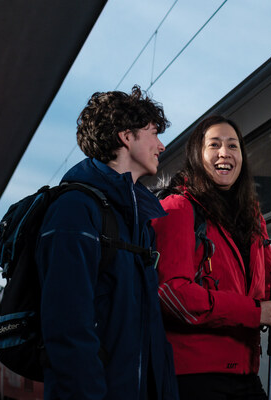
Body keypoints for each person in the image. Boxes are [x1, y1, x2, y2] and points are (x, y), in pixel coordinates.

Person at [36, 85, 179, 399]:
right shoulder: (75, 210)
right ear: (126, 137)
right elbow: (68, 330)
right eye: (153, 133)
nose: (161, 145)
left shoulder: (137, 221)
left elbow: (150, 331)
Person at [152, 115, 271, 400]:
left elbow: (263, 287)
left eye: (233, 146)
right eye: (214, 145)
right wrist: (257, 312)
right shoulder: (178, 208)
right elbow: (171, 293)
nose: (225, 152)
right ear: (197, 154)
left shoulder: (252, 218)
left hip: (244, 372)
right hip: (195, 378)